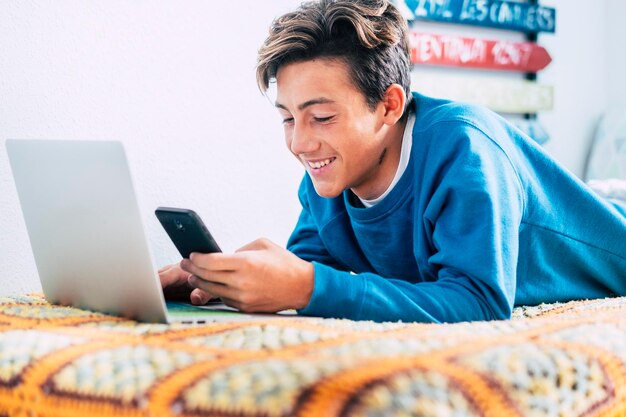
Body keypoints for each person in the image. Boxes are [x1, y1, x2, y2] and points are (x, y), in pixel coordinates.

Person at [159, 0, 626, 323]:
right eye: (287, 118)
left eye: (321, 117)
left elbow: (480, 301)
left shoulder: (464, 149)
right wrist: (225, 278)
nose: (300, 143)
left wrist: (304, 286)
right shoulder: (327, 177)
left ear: (389, 105)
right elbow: (313, 270)